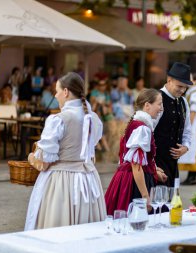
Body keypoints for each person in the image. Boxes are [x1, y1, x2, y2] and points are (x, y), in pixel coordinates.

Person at [25, 72, 106, 230]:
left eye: (57, 91)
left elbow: (45, 162)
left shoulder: (58, 120)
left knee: (58, 228)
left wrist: (31, 158)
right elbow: (89, 147)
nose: (55, 95)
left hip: (62, 183)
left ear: (66, 92)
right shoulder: (94, 119)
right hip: (88, 181)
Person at [104, 89, 167, 215]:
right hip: (133, 183)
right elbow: (136, 166)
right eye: (159, 104)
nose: (161, 108)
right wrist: (145, 196)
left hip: (127, 179)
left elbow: (139, 160)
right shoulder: (142, 128)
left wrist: (154, 170)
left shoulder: (137, 124)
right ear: (147, 105)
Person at [154, 62, 192, 187]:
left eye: (185, 87)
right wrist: (151, 164)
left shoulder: (183, 102)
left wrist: (185, 147)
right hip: (155, 161)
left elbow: (187, 129)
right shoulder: (156, 98)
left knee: (172, 201)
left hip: (173, 163)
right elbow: (147, 130)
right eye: (179, 86)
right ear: (169, 80)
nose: (182, 90)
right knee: (157, 202)